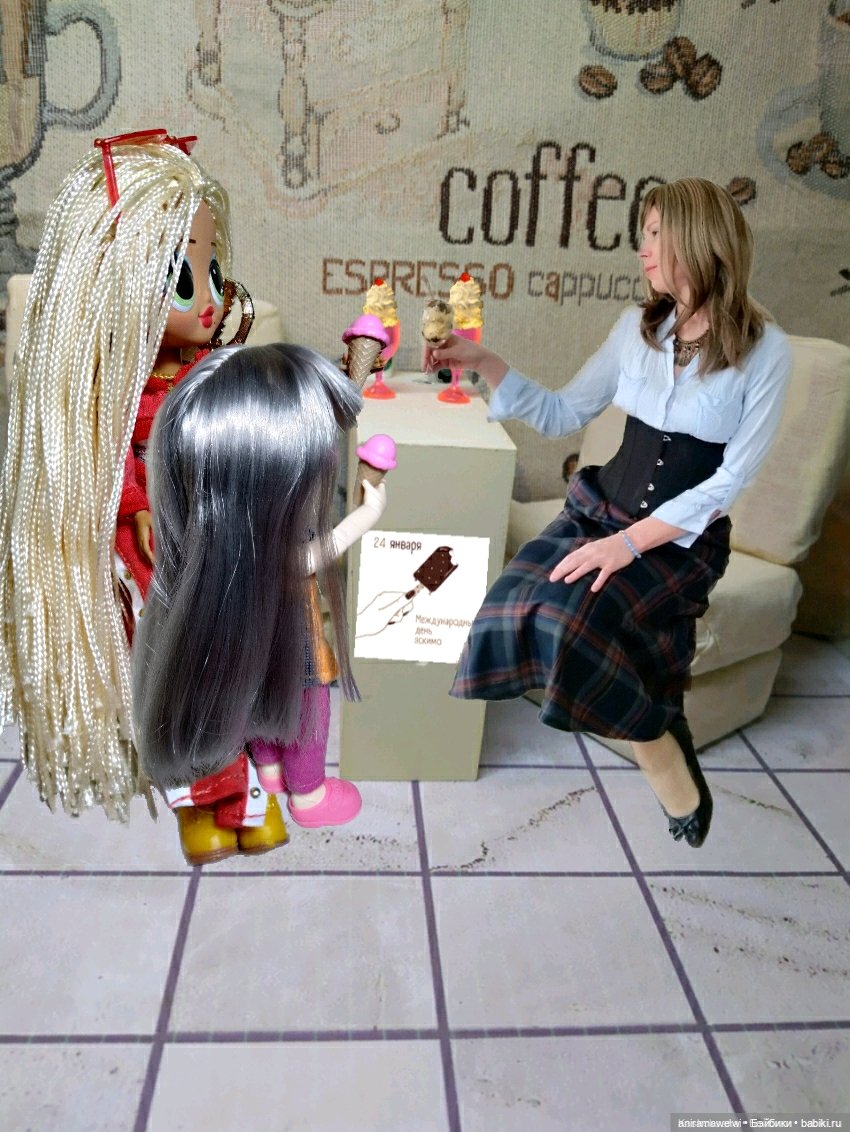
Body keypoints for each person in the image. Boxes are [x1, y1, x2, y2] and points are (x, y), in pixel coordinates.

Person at [424, 178, 792, 848]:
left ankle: (661, 749)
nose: (642, 249)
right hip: (599, 512)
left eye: (654, 234)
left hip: (678, 542)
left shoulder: (765, 350)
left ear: (694, 239)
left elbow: (731, 479)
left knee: (569, 622)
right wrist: (486, 363)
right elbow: (563, 411)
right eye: (642, 235)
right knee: (510, 606)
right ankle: (659, 717)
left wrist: (629, 546)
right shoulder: (636, 329)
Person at [0, 131, 284, 862]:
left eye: (212, 272)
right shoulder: (106, 390)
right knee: (180, 672)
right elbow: (104, 467)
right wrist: (140, 506)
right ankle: (210, 802)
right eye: (183, 278)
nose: (210, 300)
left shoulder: (209, 368)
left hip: (215, 541)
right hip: (155, 554)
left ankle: (239, 792)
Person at [132, 343, 384, 850]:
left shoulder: (214, 544)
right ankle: (308, 794)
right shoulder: (274, 543)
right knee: (309, 703)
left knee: (262, 696)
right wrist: (369, 513)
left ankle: (269, 770)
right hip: (294, 641)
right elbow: (311, 556)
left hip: (254, 644)